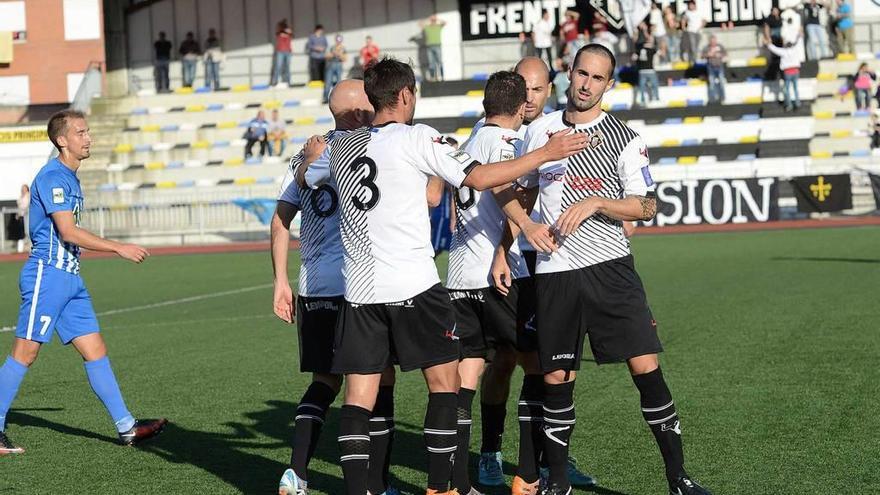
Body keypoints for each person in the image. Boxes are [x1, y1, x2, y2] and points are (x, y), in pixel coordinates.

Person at [302, 57, 587, 495]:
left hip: (359, 292)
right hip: (415, 286)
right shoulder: (417, 137)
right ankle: (441, 488)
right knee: (444, 384)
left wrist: (309, 157)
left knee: (358, 397)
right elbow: (480, 176)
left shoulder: (344, 147)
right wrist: (545, 153)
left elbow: (307, 174)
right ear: (405, 96)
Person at [495, 44, 713, 495]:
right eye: (581, 74)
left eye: (597, 78)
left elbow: (647, 205)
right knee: (556, 378)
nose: (586, 84)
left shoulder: (624, 137)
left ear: (608, 84)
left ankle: (679, 477)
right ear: (569, 74)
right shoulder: (544, 133)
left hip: (611, 268)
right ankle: (558, 482)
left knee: (645, 367)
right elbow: (505, 188)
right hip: (555, 272)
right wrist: (523, 227)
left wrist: (597, 202)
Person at [0, 110, 167, 455]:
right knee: (25, 354)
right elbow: (67, 231)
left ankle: (127, 427)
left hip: (69, 279)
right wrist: (118, 247)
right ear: (62, 140)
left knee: (96, 351)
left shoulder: (71, 178)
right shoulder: (53, 177)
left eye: (88, 131)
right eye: (80, 132)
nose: (87, 137)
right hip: (48, 276)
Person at [468, 57, 596, 492]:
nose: (529, 98)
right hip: (516, 265)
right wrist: (505, 247)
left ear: (548, 90)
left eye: (537, 90)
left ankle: (550, 456)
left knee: (556, 364)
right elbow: (504, 194)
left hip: (554, 264)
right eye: (523, 88)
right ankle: (493, 453)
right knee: (512, 361)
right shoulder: (505, 137)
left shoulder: (556, 132)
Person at [273, 80, 401, 495]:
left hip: (315, 283)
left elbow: (280, 220)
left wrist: (280, 281)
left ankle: (296, 472)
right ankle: (378, 485)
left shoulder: (305, 154)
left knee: (325, 379)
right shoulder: (370, 147)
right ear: (360, 112)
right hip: (362, 282)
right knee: (378, 379)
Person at [764, 36, 803, 111]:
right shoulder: (795, 50)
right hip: (795, 71)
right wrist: (799, 36)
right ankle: (797, 103)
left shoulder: (784, 52)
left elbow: (774, 49)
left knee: (787, 89)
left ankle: (789, 104)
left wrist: (768, 44)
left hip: (787, 72)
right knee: (795, 88)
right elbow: (798, 43)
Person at [635, 23, 659, 107]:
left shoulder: (639, 49)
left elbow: (634, 57)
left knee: (642, 87)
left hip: (641, 70)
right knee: (654, 85)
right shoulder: (651, 49)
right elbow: (658, 51)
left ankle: (642, 100)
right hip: (650, 70)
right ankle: (656, 98)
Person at [702, 35, 728, 104]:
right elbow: (702, 56)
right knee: (712, 83)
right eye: (712, 41)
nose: (713, 42)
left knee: (722, 82)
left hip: (719, 66)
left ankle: (722, 98)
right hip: (711, 67)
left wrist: (720, 55)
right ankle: (712, 99)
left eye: (714, 41)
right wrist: (708, 54)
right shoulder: (707, 47)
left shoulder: (720, 46)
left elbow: (725, 54)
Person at [420, 14, 446, 81]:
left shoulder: (438, 26)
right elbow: (420, 24)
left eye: (434, 20)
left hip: (437, 46)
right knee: (431, 63)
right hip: (429, 47)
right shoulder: (427, 27)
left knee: (439, 62)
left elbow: (445, 22)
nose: (433, 21)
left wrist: (437, 19)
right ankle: (432, 77)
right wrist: (428, 19)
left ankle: (442, 77)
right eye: (432, 20)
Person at [323, 35, 347, 104]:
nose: (338, 42)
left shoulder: (343, 48)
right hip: (331, 65)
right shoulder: (331, 47)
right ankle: (325, 98)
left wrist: (339, 54)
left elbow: (345, 59)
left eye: (339, 40)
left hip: (338, 65)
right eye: (337, 40)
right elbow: (326, 56)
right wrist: (333, 54)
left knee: (338, 83)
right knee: (328, 82)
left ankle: (338, 98)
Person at [7, 185, 29, 253]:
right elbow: (19, 206)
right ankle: (21, 248)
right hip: (20, 216)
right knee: (21, 232)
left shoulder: (29, 196)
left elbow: (26, 206)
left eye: (24, 189)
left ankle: (28, 247)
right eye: (22, 189)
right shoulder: (20, 196)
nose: (23, 190)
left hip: (27, 215)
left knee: (27, 231)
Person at [272, 20, 293, 87]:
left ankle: (288, 82)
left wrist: (286, 28)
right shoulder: (279, 32)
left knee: (287, 67)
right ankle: (275, 82)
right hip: (280, 51)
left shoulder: (288, 32)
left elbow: (290, 32)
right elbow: (279, 32)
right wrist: (282, 27)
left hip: (288, 51)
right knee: (278, 66)